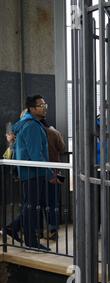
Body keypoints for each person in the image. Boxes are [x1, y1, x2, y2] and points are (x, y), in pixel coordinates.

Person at [7, 95, 60, 251]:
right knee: (32, 206)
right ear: (32, 108)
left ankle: (14, 229)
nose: (44, 107)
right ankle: (30, 240)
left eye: (45, 104)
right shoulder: (32, 126)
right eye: (41, 105)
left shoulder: (27, 125)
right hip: (34, 173)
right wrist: (51, 175)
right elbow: (37, 155)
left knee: (30, 205)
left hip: (30, 172)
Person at [40, 118, 65, 239]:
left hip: (42, 171)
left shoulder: (38, 132)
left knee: (41, 201)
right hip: (58, 170)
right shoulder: (55, 132)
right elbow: (62, 148)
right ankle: (54, 230)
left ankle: (39, 230)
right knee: (55, 201)